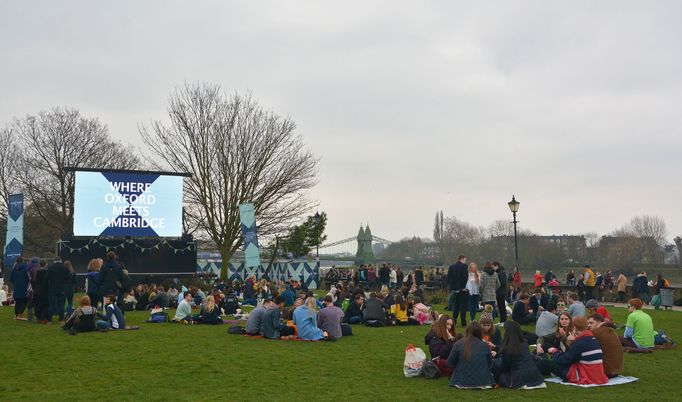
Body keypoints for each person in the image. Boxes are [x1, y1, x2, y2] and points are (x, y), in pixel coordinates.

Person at [548, 316, 608, 385]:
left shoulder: (580, 342)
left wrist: (555, 352)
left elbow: (565, 360)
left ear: (575, 327)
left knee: (547, 363)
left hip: (582, 374)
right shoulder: (593, 339)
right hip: (596, 374)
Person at [493, 321, 545, 389]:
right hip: (534, 375)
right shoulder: (524, 343)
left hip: (519, 378)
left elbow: (505, 367)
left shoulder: (509, 348)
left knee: (498, 371)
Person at [446, 322, 495, 389]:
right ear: (480, 332)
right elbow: (490, 364)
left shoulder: (458, 344)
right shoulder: (484, 345)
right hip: (483, 382)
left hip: (461, 382)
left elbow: (450, 363)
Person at [588, 313, 623, 378]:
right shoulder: (610, 330)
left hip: (606, 371)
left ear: (598, 322)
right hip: (616, 370)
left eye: (591, 323)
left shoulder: (596, 332)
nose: (589, 325)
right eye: (588, 323)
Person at [447, 255, 469, 327]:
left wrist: (451, 287)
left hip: (455, 289)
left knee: (456, 306)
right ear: (461, 259)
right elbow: (464, 278)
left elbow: (449, 278)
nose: (466, 261)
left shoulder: (451, 267)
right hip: (462, 290)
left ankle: (454, 320)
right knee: (463, 307)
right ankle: (463, 322)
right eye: (465, 259)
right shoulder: (464, 267)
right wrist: (462, 287)